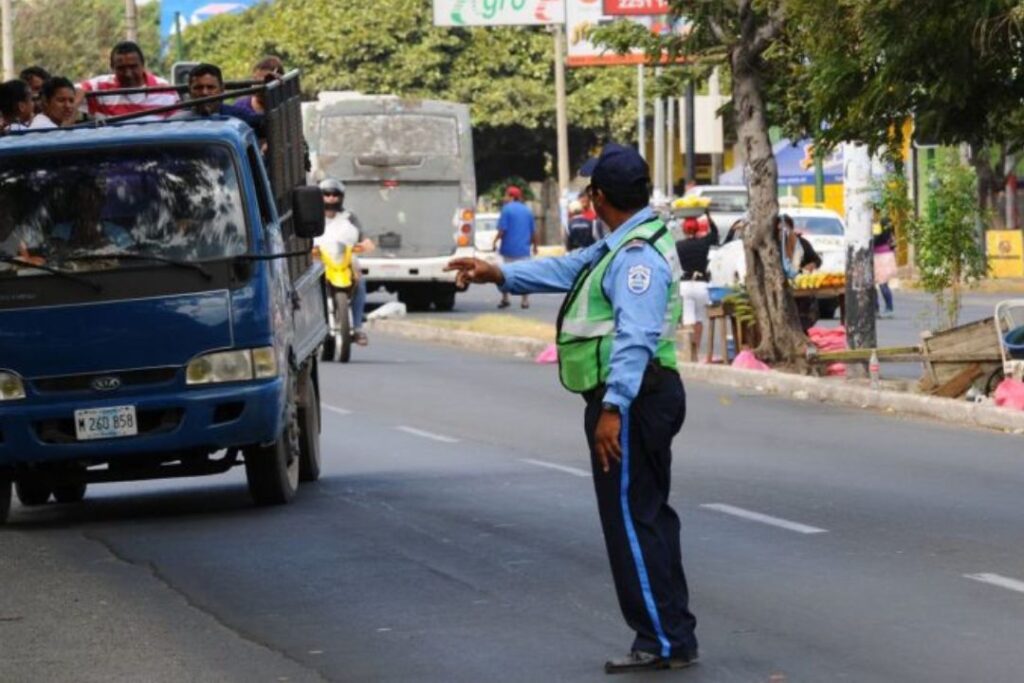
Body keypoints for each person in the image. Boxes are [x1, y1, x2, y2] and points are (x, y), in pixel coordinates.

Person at [446, 143, 698, 673]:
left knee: (632, 522)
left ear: (599, 197)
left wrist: (613, 407)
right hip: (638, 397)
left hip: (633, 399)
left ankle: (661, 639)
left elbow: (634, 338)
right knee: (648, 517)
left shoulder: (636, 259)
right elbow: (568, 270)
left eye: (590, 189)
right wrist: (499, 273)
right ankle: (672, 632)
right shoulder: (622, 243)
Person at [315, 178, 371, 345]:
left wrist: (365, 245)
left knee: (360, 283)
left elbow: (364, 238)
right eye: (327, 194)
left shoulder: (349, 217)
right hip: (319, 260)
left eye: (335, 195)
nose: (331, 198)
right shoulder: (313, 216)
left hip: (344, 259)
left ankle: (358, 327)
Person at [78, 41, 178, 120]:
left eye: (133, 67)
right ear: (112, 68)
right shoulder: (100, 86)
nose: (128, 74)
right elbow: (69, 94)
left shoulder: (165, 89)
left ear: (143, 65)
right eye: (121, 68)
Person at [675, 211, 719, 359]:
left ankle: (688, 352)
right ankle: (696, 350)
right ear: (697, 229)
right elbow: (716, 234)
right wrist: (708, 215)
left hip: (685, 284)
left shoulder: (678, 245)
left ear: (683, 229)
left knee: (688, 318)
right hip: (701, 285)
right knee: (699, 319)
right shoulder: (703, 243)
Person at [170, 63, 263, 131]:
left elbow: (268, 125)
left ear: (222, 89)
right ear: (190, 91)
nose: (205, 93)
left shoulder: (238, 117)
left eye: (210, 87)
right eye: (198, 88)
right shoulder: (178, 123)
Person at [494, 185, 536, 309]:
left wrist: (495, 241)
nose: (505, 197)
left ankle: (505, 298)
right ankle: (525, 301)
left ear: (512, 196)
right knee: (525, 274)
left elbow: (502, 230)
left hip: (508, 249)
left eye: (506, 195)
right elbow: (533, 231)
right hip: (524, 249)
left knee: (504, 274)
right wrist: (535, 246)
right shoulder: (527, 210)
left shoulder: (506, 209)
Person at [873, 218, 896, 318]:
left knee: (875, 286)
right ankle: (889, 308)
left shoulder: (879, 235)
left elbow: (873, 242)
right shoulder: (891, 235)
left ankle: (876, 309)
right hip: (888, 258)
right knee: (884, 286)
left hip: (879, 258)